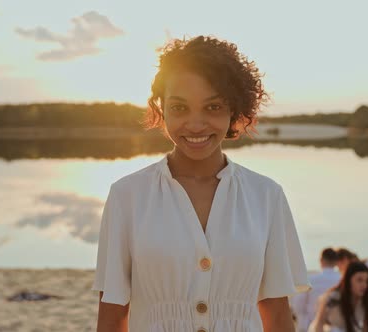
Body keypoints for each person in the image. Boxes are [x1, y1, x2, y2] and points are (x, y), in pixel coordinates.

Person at [92, 35, 311, 331]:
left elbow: (276, 312)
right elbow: (112, 314)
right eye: (180, 108)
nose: (195, 125)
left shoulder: (266, 196)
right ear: (162, 108)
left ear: (234, 110)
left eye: (213, 107)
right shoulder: (127, 196)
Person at [308, 261, 368, 332]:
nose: (364, 285)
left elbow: (367, 327)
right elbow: (319, 324)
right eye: (359, 280)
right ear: (348, 280)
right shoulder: (333, 297)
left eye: (367, 281)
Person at [291, 247, 341, 332]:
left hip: (311, 326)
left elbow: (298, 304)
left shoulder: (310, 279)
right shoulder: (342, 280)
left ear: (321, 260)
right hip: (337, 327)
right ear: (336, 262)